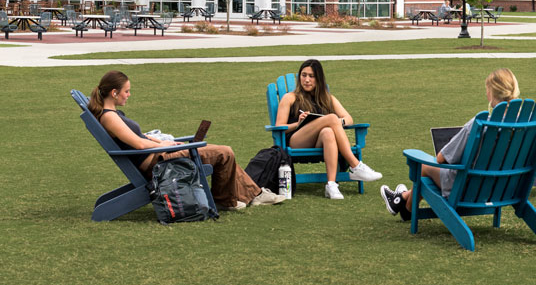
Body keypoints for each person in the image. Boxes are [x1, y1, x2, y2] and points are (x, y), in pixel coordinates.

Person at [89, 70, 285, 210]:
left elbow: (142, 137)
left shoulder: (115, 114)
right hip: (157, 163)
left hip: (161, 154)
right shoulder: (109, 117)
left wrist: (164, 143)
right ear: (114, 93)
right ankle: (229, 200)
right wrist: (163, 146)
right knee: (225, 152)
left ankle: (251, 195)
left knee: (218, 150)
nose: (129, 95)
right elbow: (139, 144)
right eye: (126, 91)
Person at [380, 68, 520, 221]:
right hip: (505, 188)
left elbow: (442, 159)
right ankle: (402, 197)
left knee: (424, 167)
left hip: (467, 188)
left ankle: (407, 209)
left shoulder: (479, 124)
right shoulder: (527, 124)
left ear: (492, 93)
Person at [274, 59, 382, 199]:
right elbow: (279, 127)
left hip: (319, 142)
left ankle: (331, 185)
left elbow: (349, 119)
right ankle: (355, 165)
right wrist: (299, 123)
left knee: (328, 132)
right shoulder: (290, 98)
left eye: (311, 76)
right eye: (303, 75)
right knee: (331, 118)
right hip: (296, 141)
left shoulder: (327, 99)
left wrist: (336, 123)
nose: (306, 80)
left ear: (319, 79)